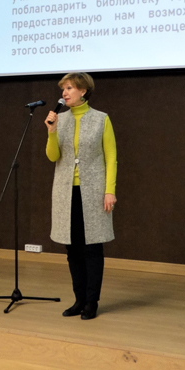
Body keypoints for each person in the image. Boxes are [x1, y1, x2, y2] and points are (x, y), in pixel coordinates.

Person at [45, 72, 116, 320]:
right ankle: (79, 300)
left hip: (94, 191)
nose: (64, 93)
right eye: (63, 89)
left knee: (92, 247)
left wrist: (110, 190)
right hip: (66, 192)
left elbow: (111, 157)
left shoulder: (101, 119)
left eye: (69, 88)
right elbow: (53, 157)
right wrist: (51, 131)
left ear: (83, 91)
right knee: (72, 249)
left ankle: (91, 302)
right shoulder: (59, 120)